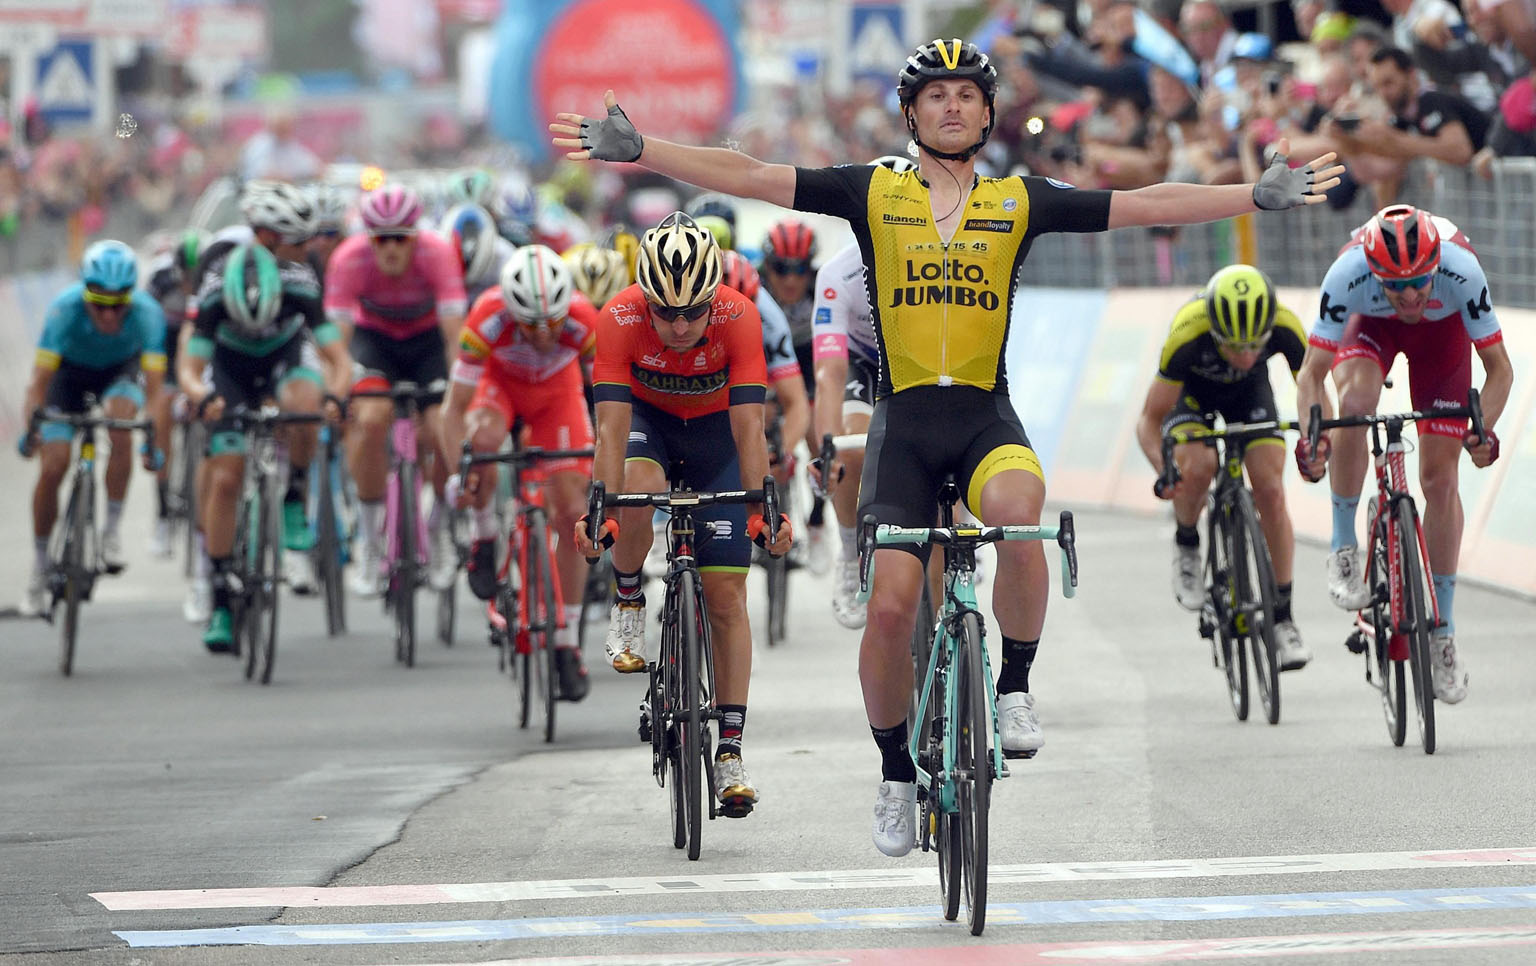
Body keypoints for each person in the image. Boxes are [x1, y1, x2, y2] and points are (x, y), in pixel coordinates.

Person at [550, 37, 1341, 856]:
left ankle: (1015, 689)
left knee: (1022, 515)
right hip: (903, 426)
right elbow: (751, 174)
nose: (953, 106)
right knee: (890, 605)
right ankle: (895, 773)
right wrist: (646, 150)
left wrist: (1252, 194)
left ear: (989, 111)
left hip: (983, 418)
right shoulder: (874, 191)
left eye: (968, 94)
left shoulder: (1018, 200)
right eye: (937, 96)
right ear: (911, 112)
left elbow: (1141, 202)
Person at [570, 212, 793, 818]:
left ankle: (730, 752)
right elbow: (610, 432)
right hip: (650, 430)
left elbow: (751, 427)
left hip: (719, 435)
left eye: (692, 311)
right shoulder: (617, 318)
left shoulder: (738, 317)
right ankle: (629, 598)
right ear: (643, 295)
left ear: (711, 297)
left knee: (726, 600)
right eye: (664, 312)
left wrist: (761, 508)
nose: (678, 325)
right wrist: (601, 509)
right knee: (636, 488)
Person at [1295, 204, 1512, 706]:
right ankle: (1344, 543)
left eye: (1420, 282)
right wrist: (1313, 434)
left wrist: (1485, 432)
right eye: (1396, 285)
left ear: (1437, 265)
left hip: (1443, 337)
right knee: (1354, 405)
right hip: (1370, 329)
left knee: (1440, 481)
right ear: (1373, 272)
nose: (1411, 295)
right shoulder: (1347, 272)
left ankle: (1442, 631)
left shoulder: (1462, 270)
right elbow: (1311, 373)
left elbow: (1500, 371)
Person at [1134, 264, 1311, 671]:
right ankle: (1187, 544)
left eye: (1255, 346)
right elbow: (1149, 419)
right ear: (1214, 330)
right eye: (1235, 347)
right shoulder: (1188, 331)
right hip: (1192, 397)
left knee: (1270, 488)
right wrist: (1165, 471)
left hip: (1250, 395)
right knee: (1198, 465)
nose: (1247, 356)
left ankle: (1283, 617)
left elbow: (1315, 391)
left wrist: (1316, 443)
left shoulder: (1284, 324)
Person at [444, 244, 599, 701]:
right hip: (501, 389)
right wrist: (461, 471)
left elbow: (610, 402)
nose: (545, 333)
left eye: (553, 322)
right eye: (531, 325)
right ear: (512, 312)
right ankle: (485, 533)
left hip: (557, 396)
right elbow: (452, 410)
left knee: (572, 514)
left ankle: (567, 642)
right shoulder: (486, 316)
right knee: (482, 443)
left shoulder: (583, 320)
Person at [179, 242, 351, 651]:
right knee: (225, 476)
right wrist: (202, 398)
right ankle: (221, 599)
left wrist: (337, 396)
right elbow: (190, 368)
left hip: (283, 360)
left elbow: (338, 360)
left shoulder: (300, 288)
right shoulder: (214, 296)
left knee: (304, 407)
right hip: (230, 370)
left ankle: (293, 494)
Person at [324, 183, 468, 598]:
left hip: (427, 346)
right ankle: (369, 542)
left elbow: (454, 339)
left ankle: (438, 529)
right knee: (369, 422)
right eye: (381, 239)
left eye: (400, 239)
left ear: (415, 236)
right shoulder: (348, 259)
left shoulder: (437, 253)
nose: (390, 250)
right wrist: (335, 392)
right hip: (376, 344)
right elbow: (337, 340)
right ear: (368, 237)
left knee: (443, 425)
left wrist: (459, 395)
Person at [18, 241, 166, 615]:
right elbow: (37, 383)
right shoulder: (63, 311)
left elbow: (155, 392)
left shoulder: (148, 314)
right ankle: (39, 563)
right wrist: (31, 428)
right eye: (99, 302)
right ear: (84, 293)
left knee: (121, 424)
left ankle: (111, 531)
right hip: (67, 378)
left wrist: (153, 437)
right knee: (54, 466)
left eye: (120, 304)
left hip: (119, 372)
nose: (110, 314)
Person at [810, 155, 917, 629]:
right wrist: (827, 446)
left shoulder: (938, 250)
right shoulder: (838, 274)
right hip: (862, 359)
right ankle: (852, 552)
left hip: (919, 357)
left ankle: (960, 534)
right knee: (854, 450)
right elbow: (829, 374)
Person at [758, 217, 832, 576]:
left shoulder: (822, 287)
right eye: (781, 269)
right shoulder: (753, 285)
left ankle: (817, 521)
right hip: (768, 358)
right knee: (763, 417)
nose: (790, 279)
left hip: (807, 357)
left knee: (817, 436)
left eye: (799, 269)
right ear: (767, 266)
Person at [142, 228, 206, 558]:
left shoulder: (217, 279)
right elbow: (143, 329)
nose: (191, 284)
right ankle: (163, 513)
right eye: (187, 278)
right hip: (164, 350)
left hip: (200, 349)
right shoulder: (161, 279)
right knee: (161, 416)